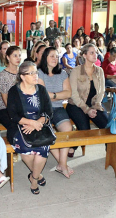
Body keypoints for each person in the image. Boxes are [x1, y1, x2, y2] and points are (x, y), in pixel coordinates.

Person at [7, 61, 52, 194]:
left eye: (36, 72)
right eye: (31, 73)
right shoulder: (14, 91)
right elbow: (12, 115)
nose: (35, 75)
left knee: (42, 148)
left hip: (40, 125)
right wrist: (30, 123)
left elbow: (49, 112)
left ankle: (33, 179)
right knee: (26, 148)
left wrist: (37, 122)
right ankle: (38, 175)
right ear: (22, 76)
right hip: (19, 126)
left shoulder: (41, 90)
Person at [66, 44, 108, 158]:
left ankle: (111, 152)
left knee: (108, 126)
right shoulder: (76, 71)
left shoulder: (99, 71)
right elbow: (73, 94)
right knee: (85, 129)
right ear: (84, 55)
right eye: (92, 53)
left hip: (94, 104)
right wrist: (86, 109)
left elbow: (101, 91)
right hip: (77, 105)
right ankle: (73, 146)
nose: (96, 55)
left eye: (96, 52)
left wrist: (95, 106)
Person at [37, 47, 74, 178]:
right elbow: (42, 94)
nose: (55, 59)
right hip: (43, 110)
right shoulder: (39, 72)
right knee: (47, 133)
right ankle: (62, 164)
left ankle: (62, 163)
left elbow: (68, 93)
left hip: (58, 108)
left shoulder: (63, 73)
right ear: (45, 58)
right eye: (52, 56)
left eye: (57, 56)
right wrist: (58, 95)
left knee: (67, 128)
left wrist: (52, 95)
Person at [0, 46, 21, 129]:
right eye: (15, 56)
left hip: (21, 106)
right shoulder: (2, 75)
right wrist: (15, 113)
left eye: (19, 55)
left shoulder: (23, 73)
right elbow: (5, 98)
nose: (18, 58)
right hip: (5, 108)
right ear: (8, 57)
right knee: (15, 125)